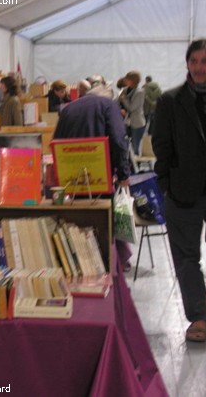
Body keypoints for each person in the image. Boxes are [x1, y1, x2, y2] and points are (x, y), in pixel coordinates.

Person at [152, 38, 206, 343]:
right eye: (193, 61)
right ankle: (197, 317)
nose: (198, 67)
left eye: (204, 62)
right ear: (187, 65)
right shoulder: (170, 100)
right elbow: (161, 143)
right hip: (183, 192)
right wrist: (166, 182)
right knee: (186, 257)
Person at [54, 74, 132, 272]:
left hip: (71, 179)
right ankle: (108, 266)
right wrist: (123, 174)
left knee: (78, 223)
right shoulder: (108, 106)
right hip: (100, 178)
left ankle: (81, 264)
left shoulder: (68, 109)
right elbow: (118, 140)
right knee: (104, 223)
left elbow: (56, 143)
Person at [118, 71, 146, 155]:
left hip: (137, 123)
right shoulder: (125, 90)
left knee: (135, 146)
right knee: (124, 143)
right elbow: (118, 101)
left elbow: (132, 107)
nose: (125, 80)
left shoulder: (140, 92)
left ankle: (136, 165)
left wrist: (124, 98)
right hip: (126, 122)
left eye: (127, 79)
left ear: (133, 80)